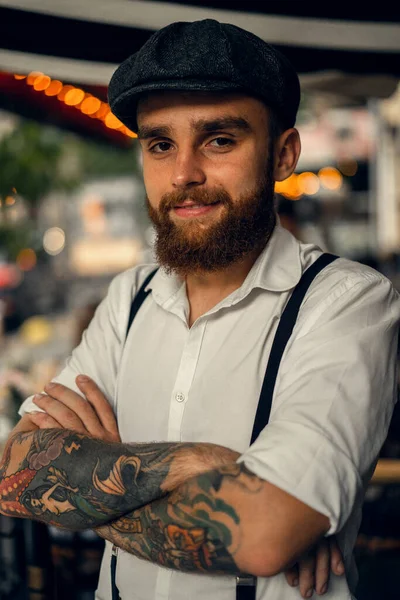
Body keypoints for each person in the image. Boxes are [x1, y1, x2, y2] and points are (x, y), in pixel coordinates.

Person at [1, 18, 400, 600]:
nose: (184, 173)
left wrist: (99, 481)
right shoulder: (128, 298)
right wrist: (196, 463)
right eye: (161, 144)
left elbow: (265, 535)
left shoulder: (348, 303)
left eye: (219, 140)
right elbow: (17, 474)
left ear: (284, 154)